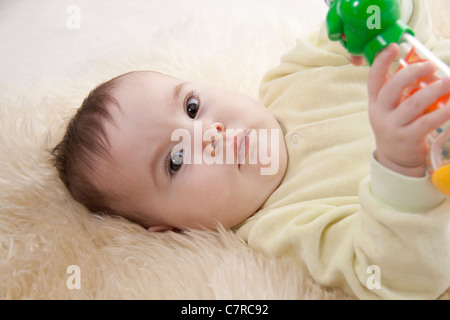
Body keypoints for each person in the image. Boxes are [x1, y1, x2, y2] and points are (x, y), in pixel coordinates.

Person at [52, 0, 450, 299]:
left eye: (191, 108)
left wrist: (366, 13)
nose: (206, 134)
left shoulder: (294, 75)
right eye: (176, 161)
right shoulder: (283, 230)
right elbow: (396, 277)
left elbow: (393, 28)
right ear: (173, 229)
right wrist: (401, 170)